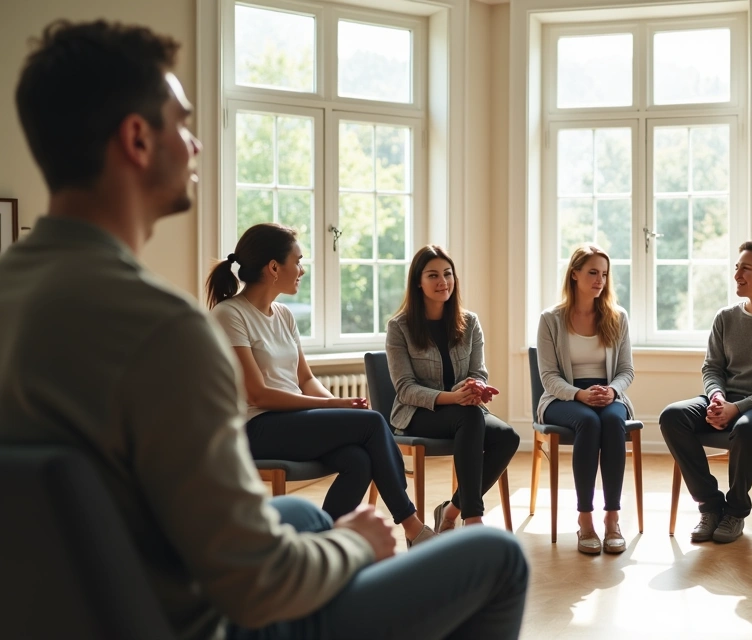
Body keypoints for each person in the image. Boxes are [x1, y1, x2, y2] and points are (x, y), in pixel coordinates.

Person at [0, 19, 528, 640]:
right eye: (184, 124)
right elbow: (256, 583)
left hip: (85, 601)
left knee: (302, 514)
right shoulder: (164, 331)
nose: (195, 145)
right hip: (208, 619)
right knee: (502, 560)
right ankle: (405, 526)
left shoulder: (18, 293)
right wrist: (355, 545)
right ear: (137, 139)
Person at [208, 223, 436, 546]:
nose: (302, 270)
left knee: (358, 460)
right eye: (298, 261)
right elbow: (257, 393)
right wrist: (334, 406)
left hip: (288, 424)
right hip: (254, 428)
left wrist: (341, 407)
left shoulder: (284, 315)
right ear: (274, 267)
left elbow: (305, 379)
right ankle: (413, 527)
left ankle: (322, 544)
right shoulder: (229, 315)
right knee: (372, 422)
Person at [660, 241, 752, 544]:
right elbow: (711, 368)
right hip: (727, 400)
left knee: (747, 427)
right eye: (736, 267)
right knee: (672, 416)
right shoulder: (725, 317)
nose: (737, 274)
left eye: (746, 268)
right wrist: (717, 398)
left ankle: (736, 511)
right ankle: (710, 506)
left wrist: (737, 409)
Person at [385, 244, 520, 531]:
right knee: (469, 417)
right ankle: (473, 520)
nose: (442, 281)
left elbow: (478, 371)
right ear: (418, 283)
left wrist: (475, 387)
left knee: (508, 437)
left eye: (447, 274)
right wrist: (455, 397)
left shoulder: (469, 322)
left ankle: (451, 510)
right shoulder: (399, 327)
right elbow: (405, 389)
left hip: (463, 410)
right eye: (432, 275)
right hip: (417, 414)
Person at [536, 243, 636, 554]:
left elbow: (626, 370)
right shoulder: (551, 319)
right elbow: (549, 377)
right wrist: (578, 393)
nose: (599, 280)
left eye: (604, 274)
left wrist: (613, 391)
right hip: (562, 397)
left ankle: (612, 517)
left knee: (612, 422)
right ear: (575, 274)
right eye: (593, 272)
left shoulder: (617, 317)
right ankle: (585, 518)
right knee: (588, 423)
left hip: (607, 394)